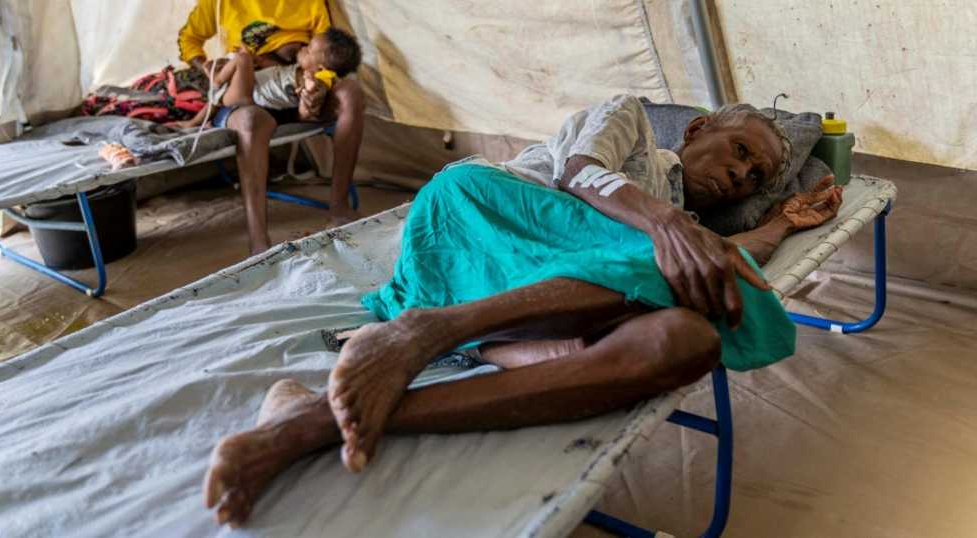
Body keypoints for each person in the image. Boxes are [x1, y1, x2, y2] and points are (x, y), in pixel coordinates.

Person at [201, 95, 844, 527]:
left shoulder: (678, 235)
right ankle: (430, 332)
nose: (740, 177)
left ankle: (309, 419)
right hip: (475, 221)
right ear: (699, 130)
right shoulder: (634, 126)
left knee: (687, 340)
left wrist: (784, 222)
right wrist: (666, 223)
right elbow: (579, 171)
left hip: (529, 295)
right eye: (740, 152)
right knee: (691, 262)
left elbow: (726, 257)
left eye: (754, 179)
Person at [177, 0, 365, 254]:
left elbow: (327, 53)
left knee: (350, 93)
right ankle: (258, 241)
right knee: (252, 121)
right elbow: (189, 39)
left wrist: (315, 88)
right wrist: (205, 67)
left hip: (297, 86)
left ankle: (338, 208)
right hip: (250, 94)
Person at [171, 29, 362, 129]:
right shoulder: (298, 69)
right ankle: (194, 123)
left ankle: (217, 80)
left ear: (320, 68)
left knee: (242, 60)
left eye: (309, 49)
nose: (303, 48)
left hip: (246, 99)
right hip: (244, 92)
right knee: (234, 74)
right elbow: (275, 73)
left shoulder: (312, 80)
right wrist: (256, 60)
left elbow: (313, 90)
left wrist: (310, 86)